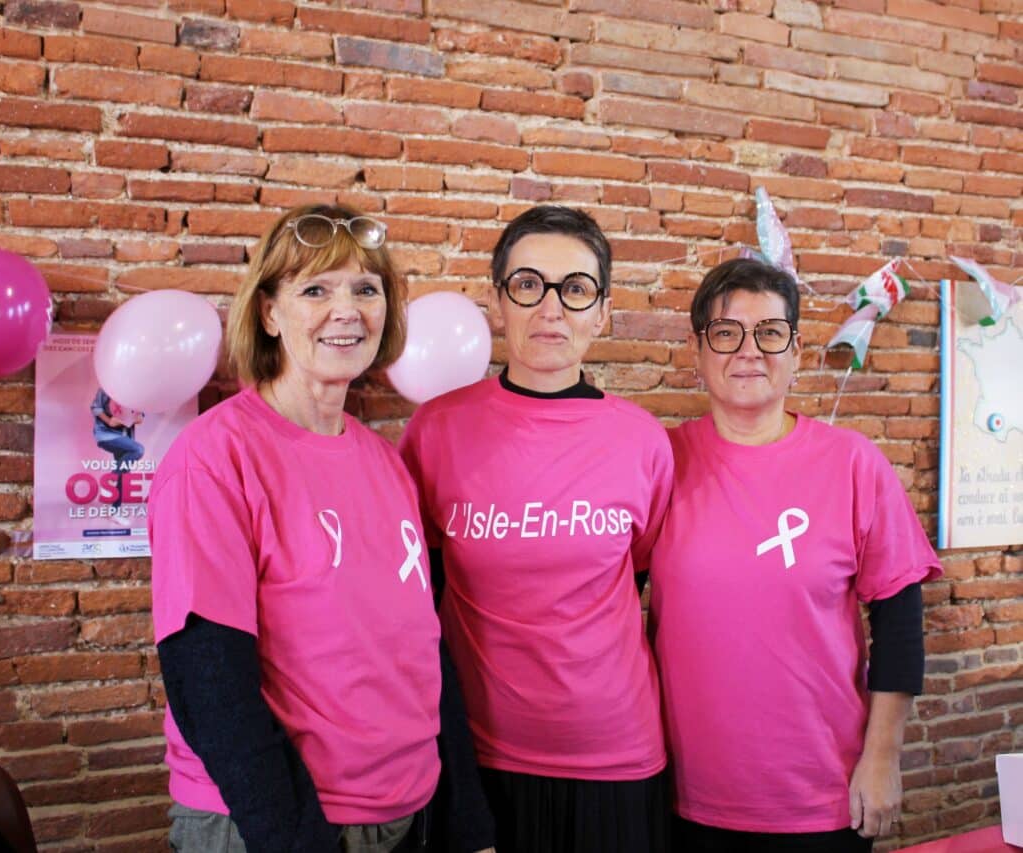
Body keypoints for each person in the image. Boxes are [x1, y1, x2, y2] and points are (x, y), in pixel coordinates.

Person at [149, 204, 495, 853]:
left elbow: (425, 653)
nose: (348, 310)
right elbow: (209, 685)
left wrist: (467, 821)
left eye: (367, 288)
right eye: (315, 288)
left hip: (407, 815)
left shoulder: (386, 464)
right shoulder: (214, 459)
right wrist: (295, 838)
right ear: (269, 312)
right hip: (276, 824)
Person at [399, 205, 673, 853]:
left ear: (602, 312)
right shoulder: (436, 431)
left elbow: (637, 583)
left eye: (575, 289)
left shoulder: (642, 441)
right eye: (528, 284)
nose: (551, 307)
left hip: (616, 755)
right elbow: (415, 608)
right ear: (499, 302)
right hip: (476, 758)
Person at [650, 257, 943, 853]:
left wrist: (882, 757)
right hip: (686, 792)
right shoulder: (657, 463)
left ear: (798, 351)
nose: (748, 351)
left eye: (771, 332)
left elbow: (900, 621)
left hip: (822, 795)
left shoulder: (854, 464)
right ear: (697, 352)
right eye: (726, 333)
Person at [90, 387, 144, 513]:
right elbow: (95, 408)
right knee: (138, 450)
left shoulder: (138, 391)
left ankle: (115, 510)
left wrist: (125, 420)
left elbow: (140, 417)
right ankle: (110, 479)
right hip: (106, 435)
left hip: (125, 437)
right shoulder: (107, 387)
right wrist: (109, 421)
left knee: (124, 472)